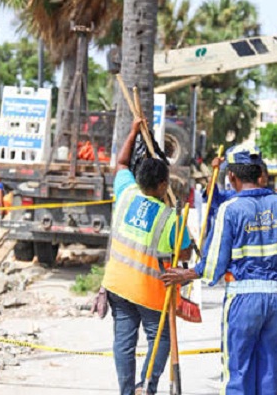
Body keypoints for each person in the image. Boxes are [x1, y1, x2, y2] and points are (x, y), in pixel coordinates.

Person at [161, 144, 277, 395]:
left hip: (243, 301)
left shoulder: (230, 209)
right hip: (275, 303)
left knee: (237, 375)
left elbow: (212, 267)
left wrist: (186, 273)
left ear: (231, 176)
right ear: (260, 173)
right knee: (269, 376)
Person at [101, 118, 191, 395]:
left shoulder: (126, 193)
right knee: (159, 337)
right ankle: (148, 386)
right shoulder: (171, 218)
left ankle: (128, 391)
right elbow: (185, 252)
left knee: (124, 342)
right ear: (164, 185)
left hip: (118, 285)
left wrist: (131, 132)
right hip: (151, 292)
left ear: (139, 180)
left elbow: (121, 163)